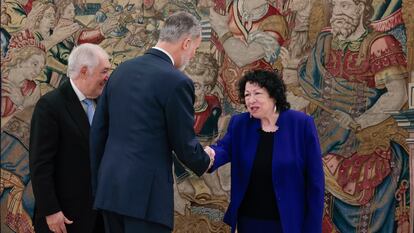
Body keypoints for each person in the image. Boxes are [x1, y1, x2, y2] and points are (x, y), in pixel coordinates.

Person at [281, 0, 410, 232]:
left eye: (345, 5)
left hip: (362, 133)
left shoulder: (380, 44)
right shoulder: (325, 41)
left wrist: (360, 121)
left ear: (361, 8)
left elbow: (397, 94)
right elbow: (309, 86)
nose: (336, 12)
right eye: (334, 6)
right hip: (321, 129)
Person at [90, 11, 214, 233]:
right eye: (195, 49)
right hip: (145, 199)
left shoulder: (121, 71)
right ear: (186, 43)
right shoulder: (177, 81)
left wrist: (100, 186)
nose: (193, 55)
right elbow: (184, 143)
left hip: (111, 192)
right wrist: (205, 159)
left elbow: (98, 133)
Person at [204, 70, 325, 233]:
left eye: (257, 93)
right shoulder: (240, 124)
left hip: (288, 223)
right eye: (247, 95)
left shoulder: (301, 124)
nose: (250, 100)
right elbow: (224, 148)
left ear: (273, 95)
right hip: (249, 221)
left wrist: (312, 229)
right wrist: (211, 154)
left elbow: (315, 182)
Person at [29, 43, 111, 233]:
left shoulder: (103, 103)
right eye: (104, 71)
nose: (108, 77)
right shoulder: (50, 106)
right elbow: (40, 164)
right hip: (65, 218)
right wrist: (51, 211)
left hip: (100, 215)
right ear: (84, 71)